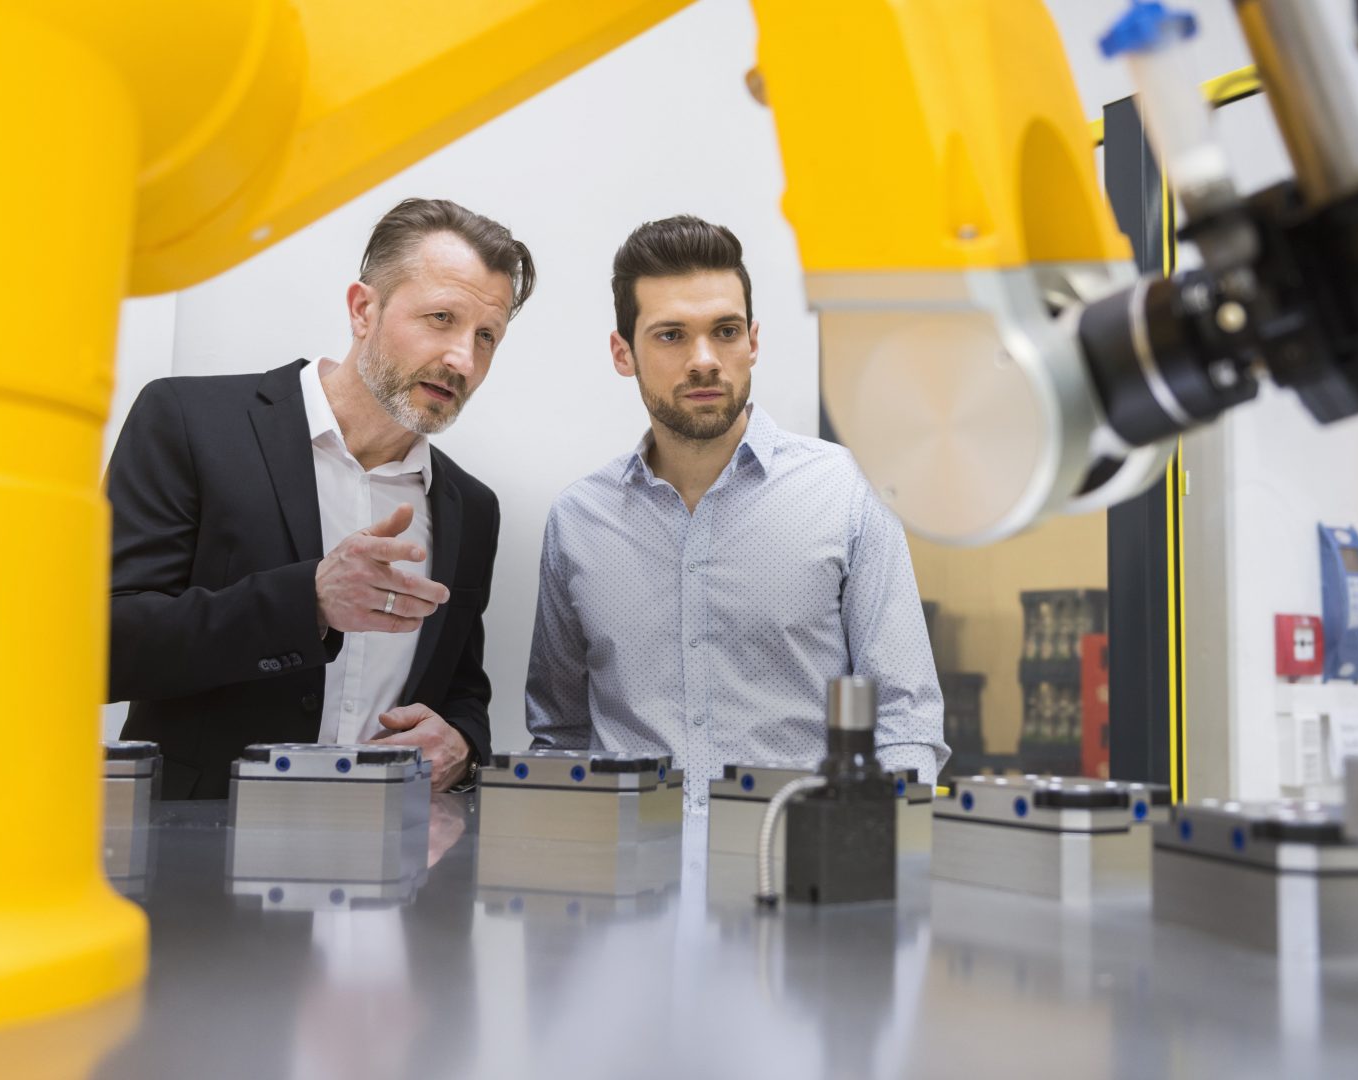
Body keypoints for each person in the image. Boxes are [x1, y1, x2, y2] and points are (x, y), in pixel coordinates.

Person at [107, 197, 533, 798]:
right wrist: (306, 601)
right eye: (441, 318)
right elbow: (99, 645)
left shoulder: (471, 508)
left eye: (486, 336)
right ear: (364, 309)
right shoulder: (188, 421)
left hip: (388, 863)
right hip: (198, 859)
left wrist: (462, 745)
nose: (463, 358)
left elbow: (460, 689)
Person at [525, 214, 947, 811]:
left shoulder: (848, 493)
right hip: (629, 883)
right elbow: (560, 736)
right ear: (624, 353)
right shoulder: (578, 520)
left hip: (803, 874)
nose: (704, 359)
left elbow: (905, 720)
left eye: (724, 331)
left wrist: (879, 862)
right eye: (671, 335)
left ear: (753, 341)